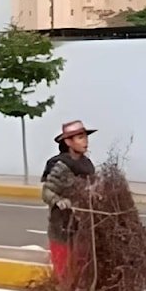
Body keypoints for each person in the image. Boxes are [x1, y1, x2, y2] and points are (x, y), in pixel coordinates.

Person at [41, 120, 96, 281]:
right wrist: (59, 200)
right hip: (63, 227)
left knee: (82, 270)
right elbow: (47, 192)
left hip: (83, 226)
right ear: (68, 142)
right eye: (80, 138)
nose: (85, 141)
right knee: (64, 272)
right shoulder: (60, 165)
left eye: (85, 137)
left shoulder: (87, 165)